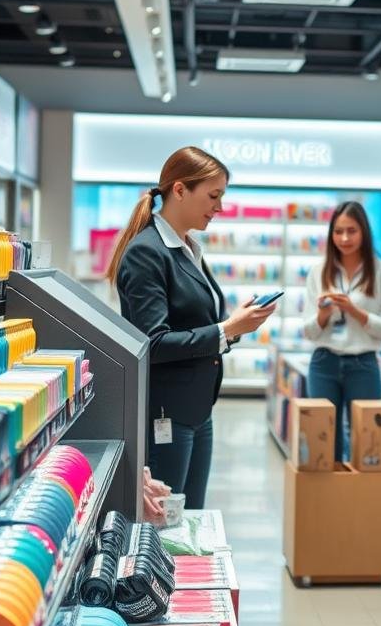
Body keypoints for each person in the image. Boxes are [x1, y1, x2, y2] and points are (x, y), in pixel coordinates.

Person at [108, 146, 278, 510]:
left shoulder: (187, 247)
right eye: (213, 196)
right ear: (181, 189)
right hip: (166, 413)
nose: (219, 207)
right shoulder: (147, 252)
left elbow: (195, 323)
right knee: (167, 523)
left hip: (196, 410)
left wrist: (231, 327)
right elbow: (152, 342)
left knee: (190, 517)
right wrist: (225, 330)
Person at [302, 201, 381, 461]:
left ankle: (359, 501)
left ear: (364, 232)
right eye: (338, 231)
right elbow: (309, 332)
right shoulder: (318, 271)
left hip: (363, 365)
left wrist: (356, 312)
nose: (344, 238)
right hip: (324, 363)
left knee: (367, 445)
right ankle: (329, 501)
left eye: (352, 231)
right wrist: (323, 315)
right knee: (324, 446)